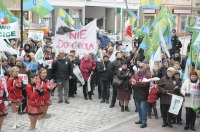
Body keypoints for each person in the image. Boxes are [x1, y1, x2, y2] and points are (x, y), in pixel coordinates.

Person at [129, 63, 151, 128]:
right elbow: (130, 79)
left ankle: (144, 122)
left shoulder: (147, 75)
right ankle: (141, 120)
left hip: (143, 94)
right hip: (136, 93)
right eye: (139, 67)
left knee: (143, 108)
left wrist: (136, 82)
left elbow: (145, 83)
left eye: (142, 67)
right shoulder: (136, 74)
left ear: (145, 67)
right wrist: (132, 81)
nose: (140, 68)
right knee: (139, 108)